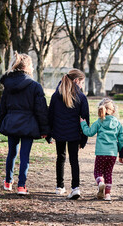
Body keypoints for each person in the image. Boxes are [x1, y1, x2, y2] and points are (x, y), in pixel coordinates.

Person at [0, 51, 49, 195]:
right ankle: (21, 186)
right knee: (25, 155)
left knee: (11, 153)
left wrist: (1, 123)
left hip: (11, 122)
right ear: (27, 67)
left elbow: (3, 107)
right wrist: (45, 129)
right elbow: (41, 110)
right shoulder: (35, 86)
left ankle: (8, 182)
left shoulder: (8, 86)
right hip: (29, 124)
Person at [48, 69, 90, 200]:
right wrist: (83, 140)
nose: (82, 86)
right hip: (74, 134)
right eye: (82, 82)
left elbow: (50, 116)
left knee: (60, 158)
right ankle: (75, 187)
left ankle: (59, 186)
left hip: (59, 132)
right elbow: (85, 119)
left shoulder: (56, 95)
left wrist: (49, 134)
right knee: (74, 160)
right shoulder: (81, 97)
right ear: (76, 81)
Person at [80, 98, 123, 201]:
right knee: (108, 173)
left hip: (101, 153)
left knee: (98, 172)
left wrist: (83, 123)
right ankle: (108, 195)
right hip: (112, 154)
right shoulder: (117, 123)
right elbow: (122, 138)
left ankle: (100, 182)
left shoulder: (99, 122)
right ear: (113, 111)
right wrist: (118, 149)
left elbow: (89, 132)